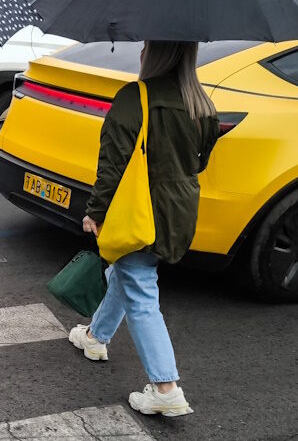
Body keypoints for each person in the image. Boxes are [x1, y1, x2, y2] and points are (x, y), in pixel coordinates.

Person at [69, 41, 219, 418]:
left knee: (140, 290)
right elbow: (200, 162)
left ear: (154, 54)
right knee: (129, 273)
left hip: (140, 208)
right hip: (180, 209)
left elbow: (113, 162)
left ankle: (166, 387)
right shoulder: (201, 103)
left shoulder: (136, 97)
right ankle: (96, 337)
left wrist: (95, 211)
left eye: (147, 46)